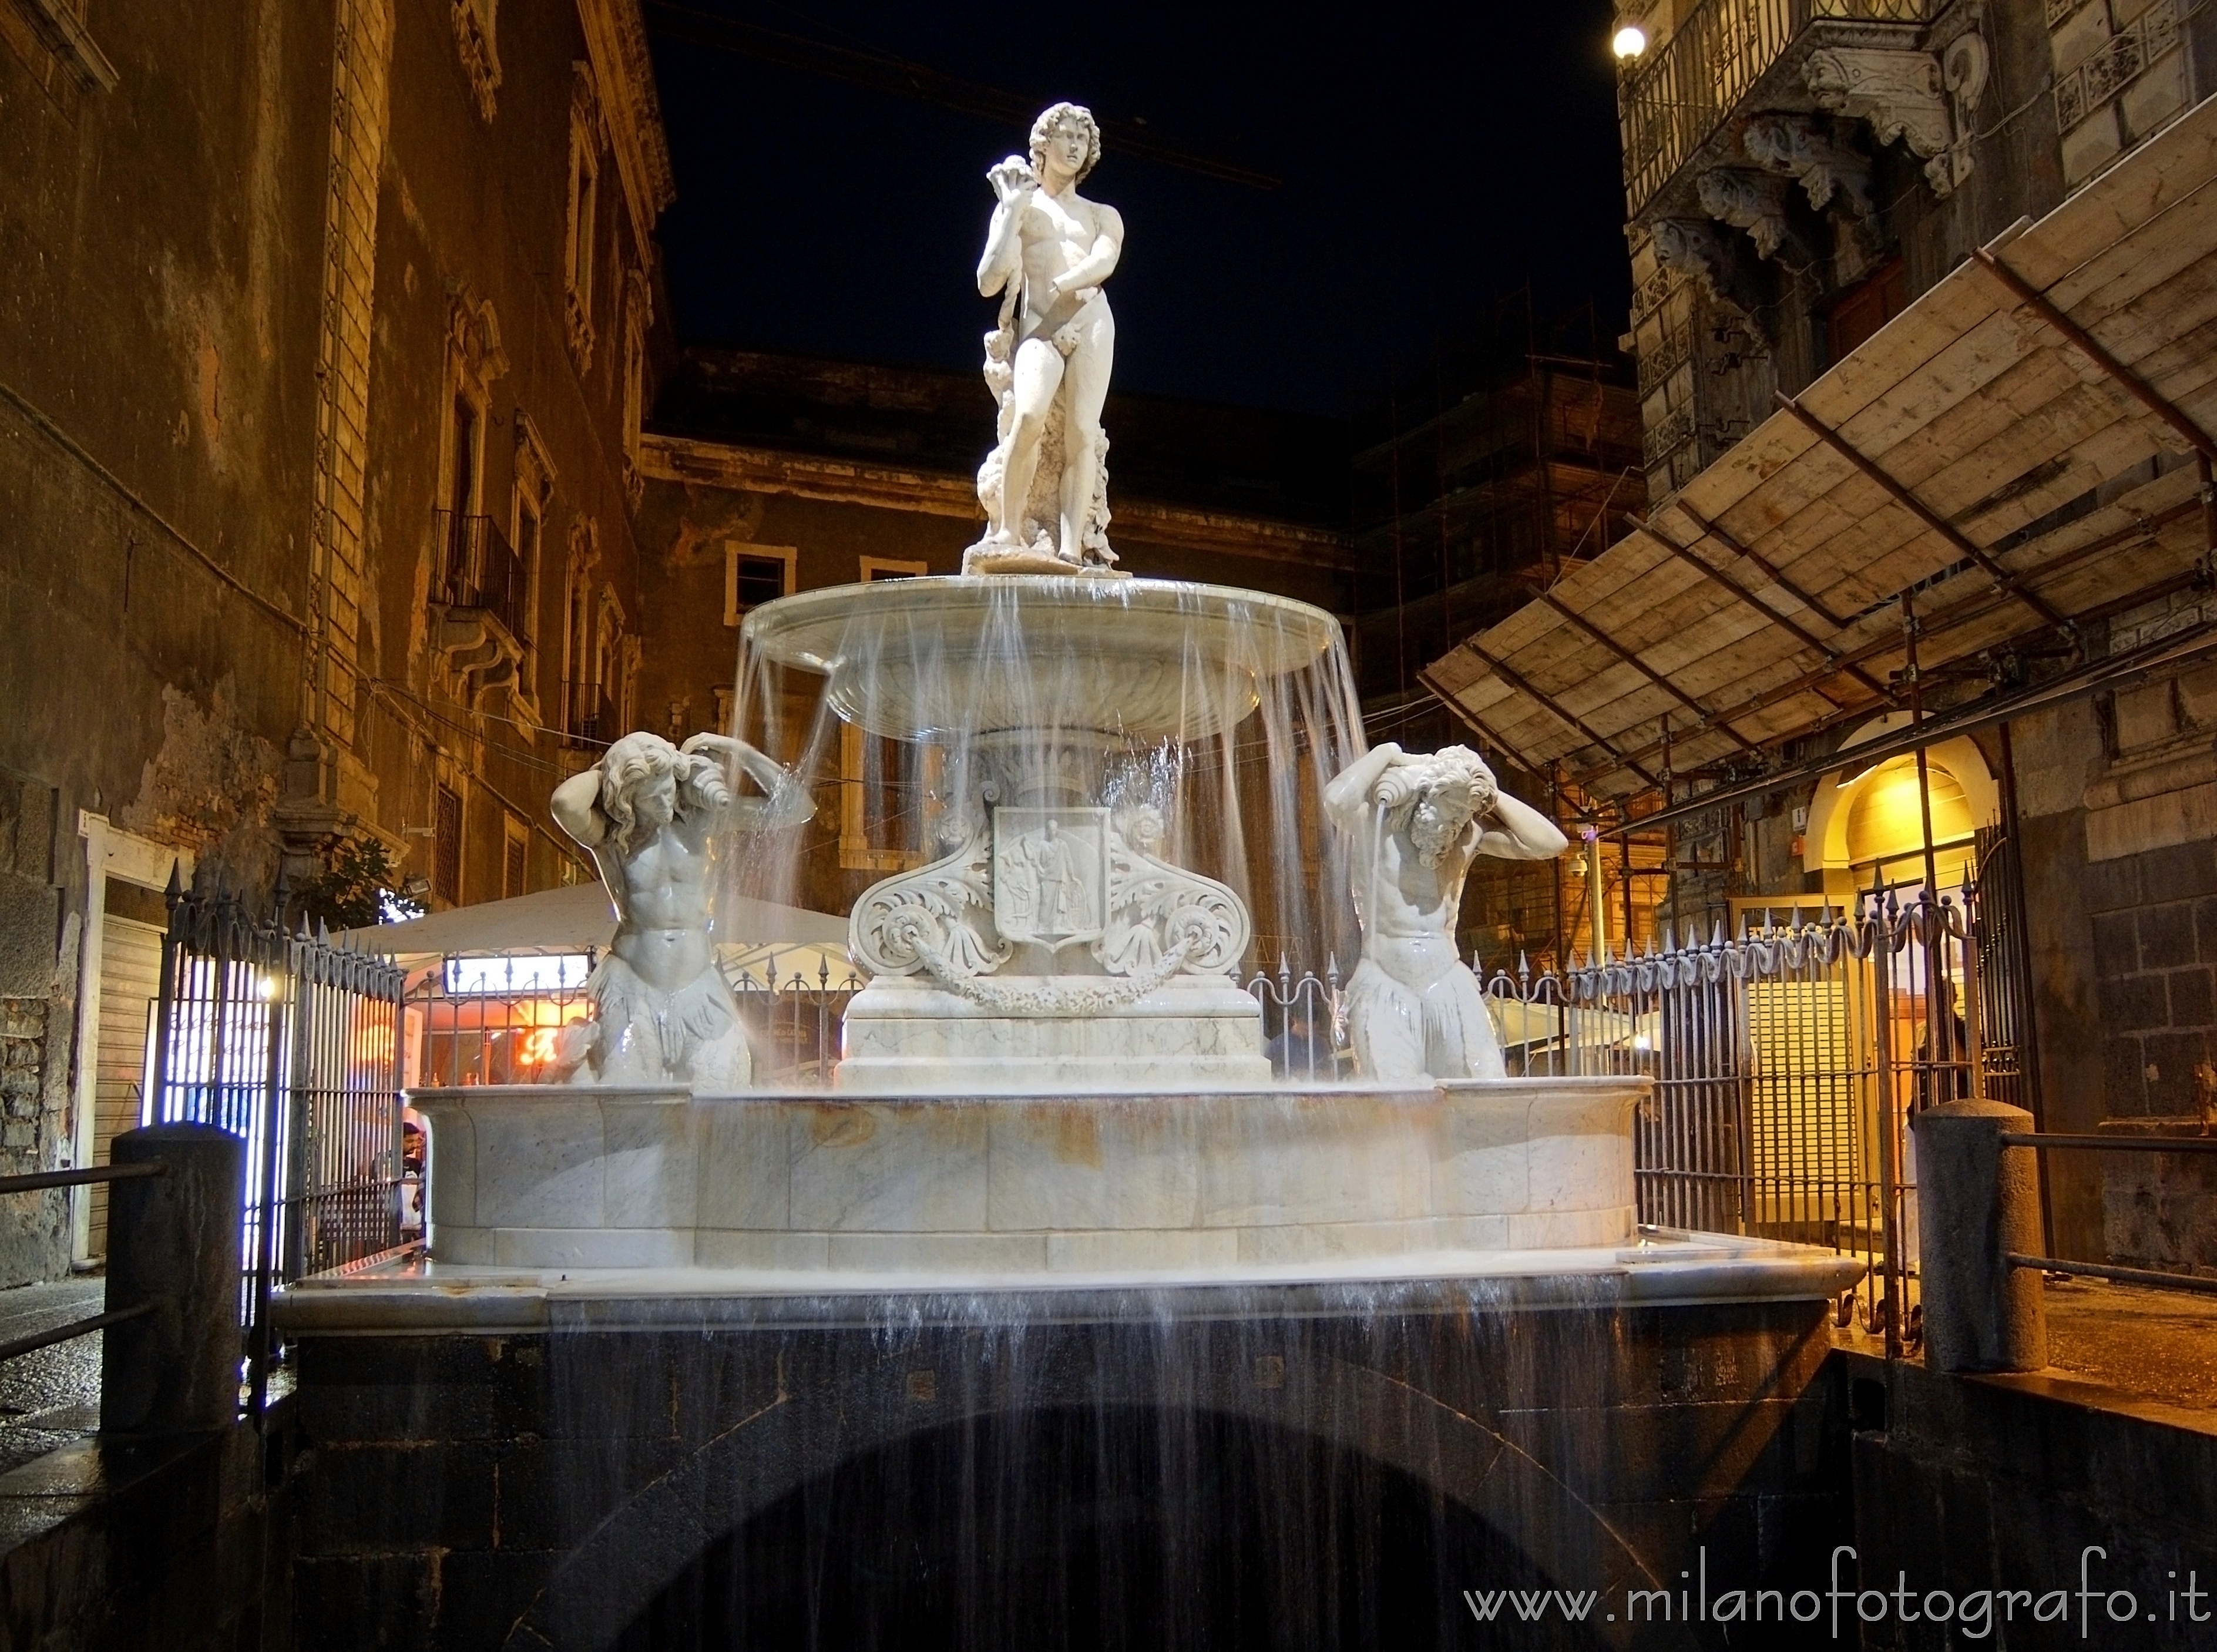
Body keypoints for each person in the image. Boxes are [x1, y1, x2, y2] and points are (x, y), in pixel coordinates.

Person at [548, 730, 811, 1090]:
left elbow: (797, 809)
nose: (665, 799)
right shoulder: (611, 836)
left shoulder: (705, 824)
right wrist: (615, 767)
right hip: (633, 987)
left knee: (724, 1092)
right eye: (651, 795)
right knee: (626, 1102)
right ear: (627, 798)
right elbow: (565, 803)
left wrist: (741, 751)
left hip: (699, 985)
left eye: (668, 787)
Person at [1324, 743, 1567, 1083]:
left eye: (1467, 812)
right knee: (1391, 1097)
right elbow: (1336, 799)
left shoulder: (1468, 835)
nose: (1459, 820)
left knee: (1482, 1086)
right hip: (1385, 978)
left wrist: (1491, 797)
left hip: (1448, 980)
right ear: (1427, 792)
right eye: (1453, 806)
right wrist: (1386, 753)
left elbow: (1551, 844)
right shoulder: (1374, 822)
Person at [968, 102, 1124, 570]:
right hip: (1041, 326)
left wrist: (1067, 283)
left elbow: (1106, 261)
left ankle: (1072, 548)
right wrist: (1012, 210)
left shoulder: (1102, 214)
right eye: (1067, 136)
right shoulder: (1022, 205)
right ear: (1044, 145)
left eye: (1083, 139)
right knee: (1030, 416)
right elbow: (988, 280)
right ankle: (1007, 531)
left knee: (1082, 431)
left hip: (1092, 320)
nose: (1075, 146)